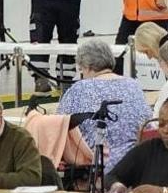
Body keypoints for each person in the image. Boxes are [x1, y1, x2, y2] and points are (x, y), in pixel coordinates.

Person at [57, 37, 152, 172]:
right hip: (139, 160)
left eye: (81, 69)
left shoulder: (79, 88)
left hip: (102, 164)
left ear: (87, 66)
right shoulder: (133, 84)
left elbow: (59, 123)